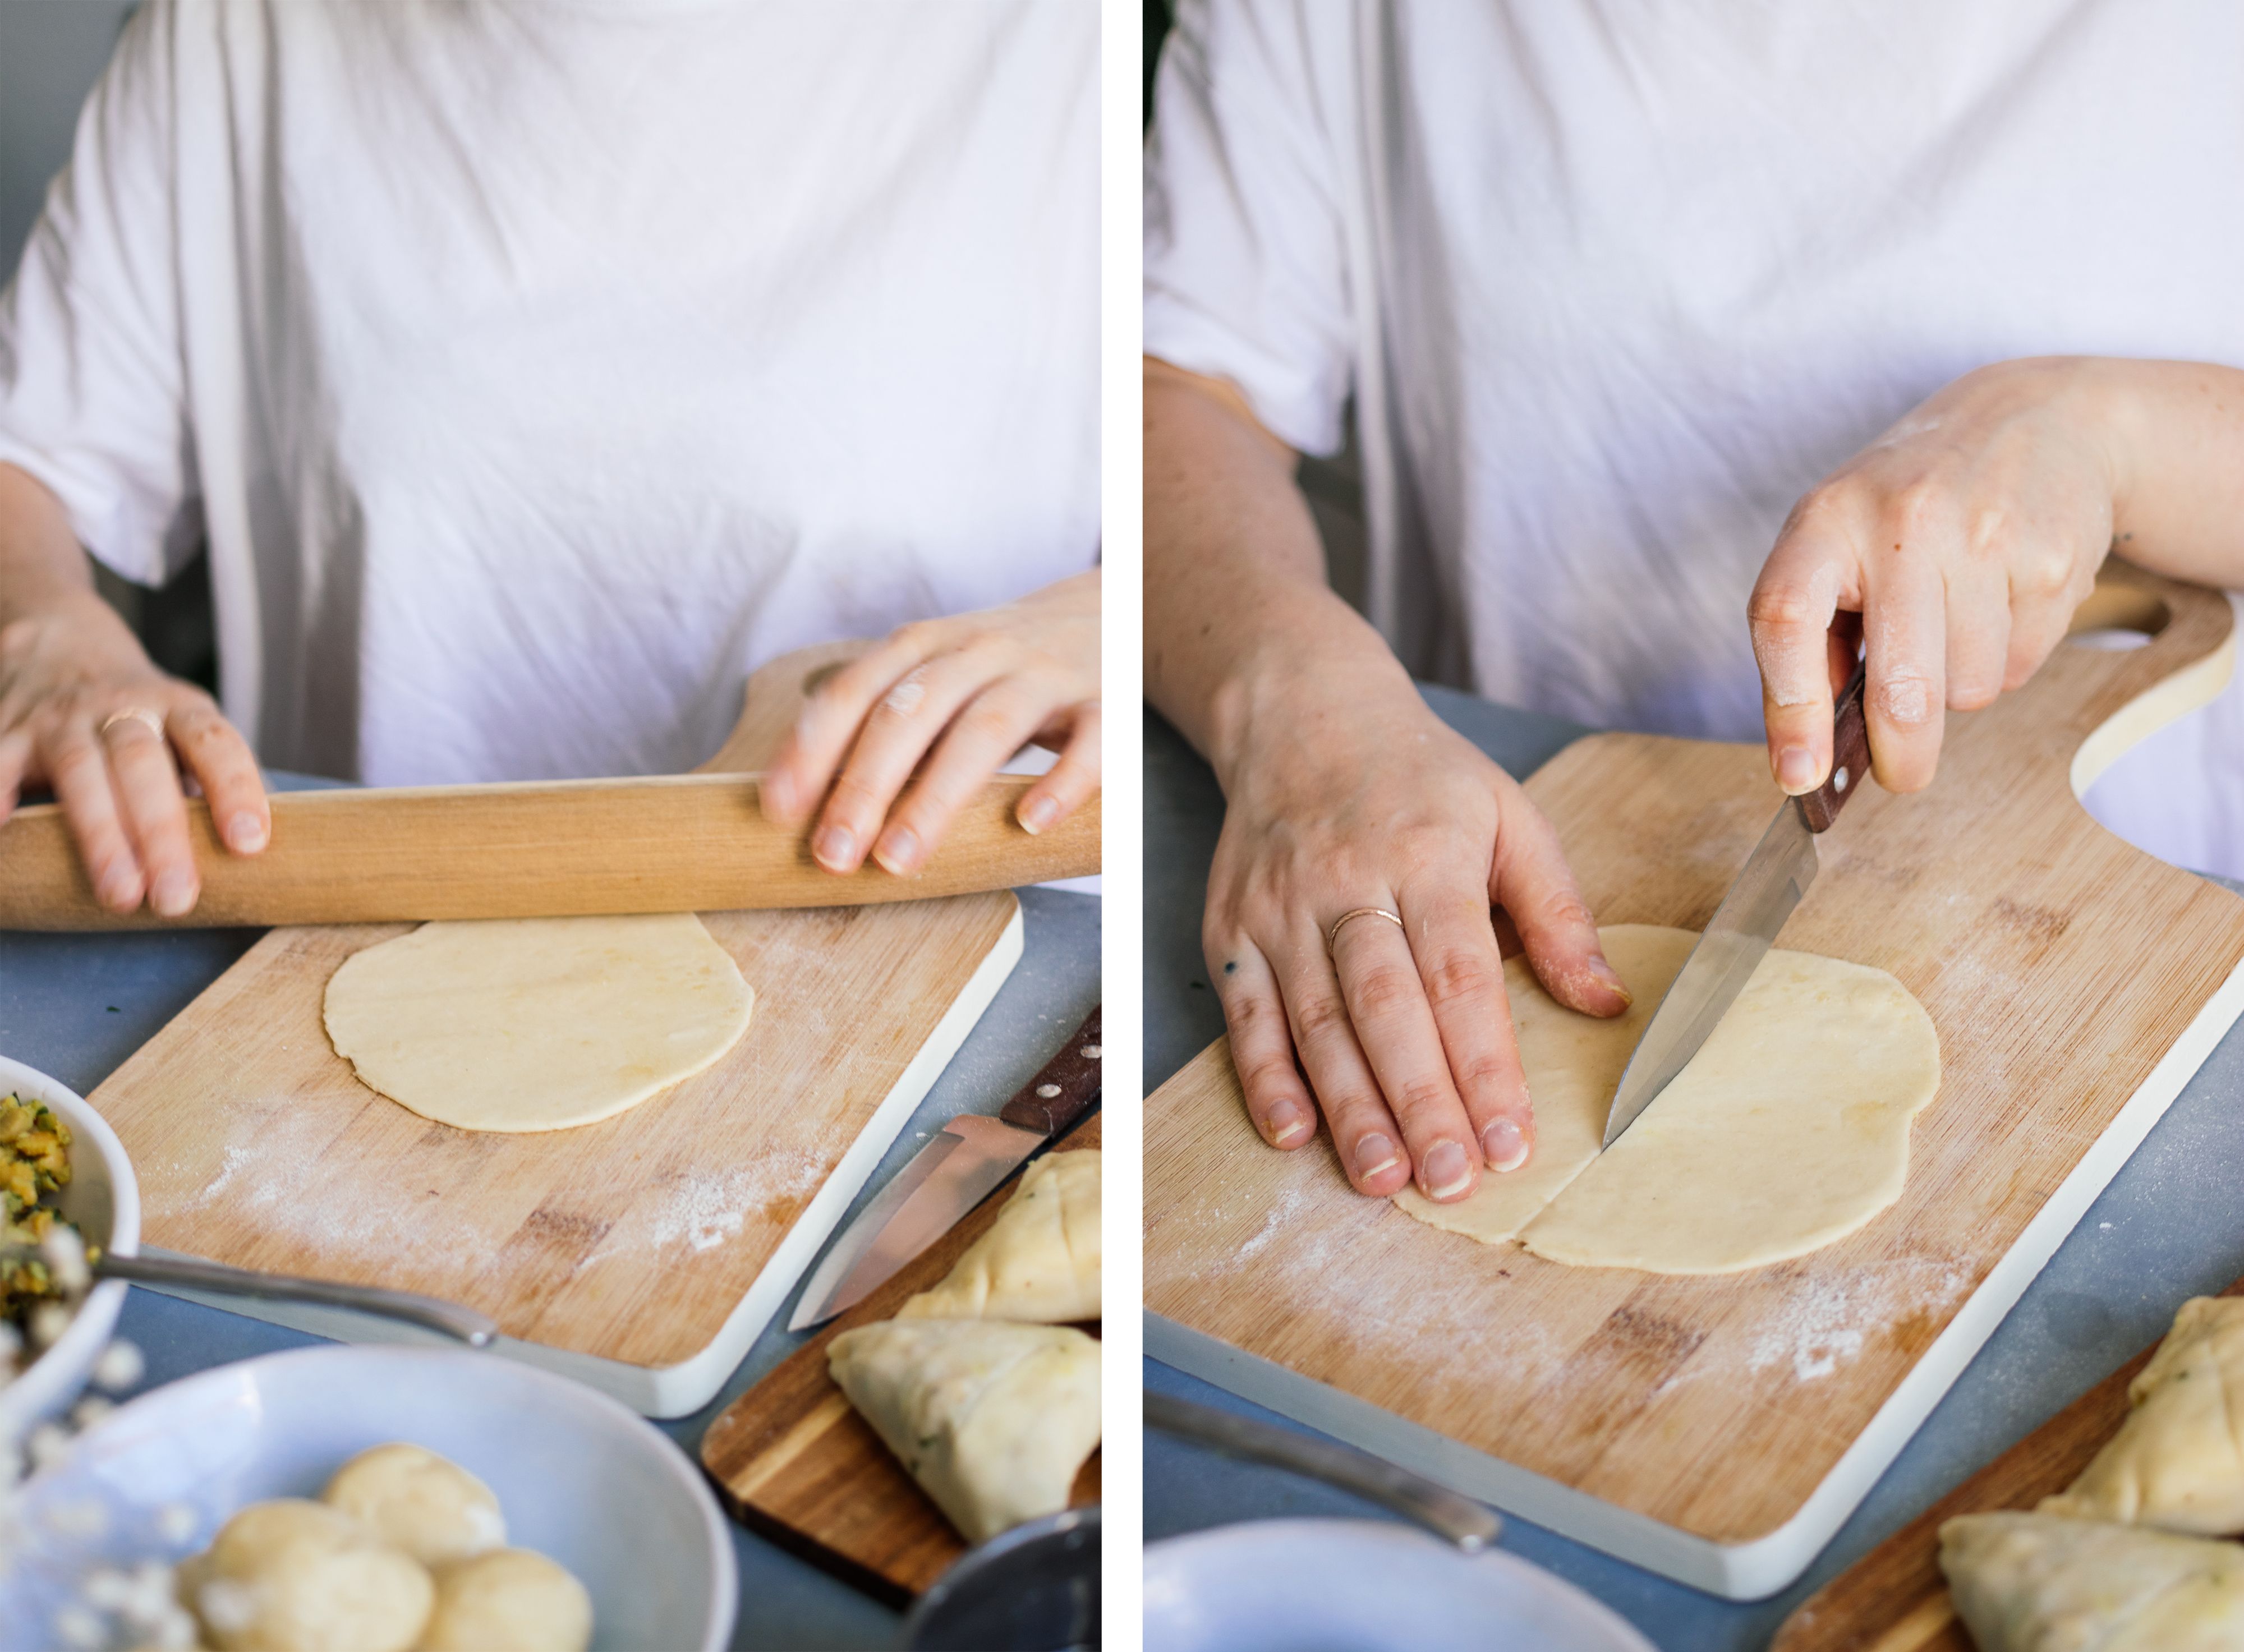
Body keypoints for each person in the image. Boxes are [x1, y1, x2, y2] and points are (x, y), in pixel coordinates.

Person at [1143, 0, 2244, 1208]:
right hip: (1497, 853)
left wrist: (2108, 434)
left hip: (2126, 944)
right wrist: (1293, 705)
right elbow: (1180, 383)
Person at [0, 0, 1100, 921]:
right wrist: (44, 624)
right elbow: (27, 454)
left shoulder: (1059, 47)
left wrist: (1118, 612)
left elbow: (1205, 408)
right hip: (338, 958)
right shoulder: (236, 29)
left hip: (952, 969)